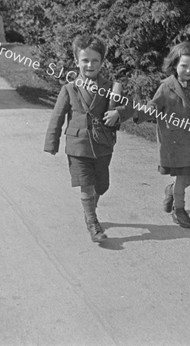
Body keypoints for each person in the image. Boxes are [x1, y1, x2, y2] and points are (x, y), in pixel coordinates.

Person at [44, 34, 130, 243]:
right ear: (76, 62)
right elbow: (57, 116)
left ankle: (90, 208)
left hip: (102, 145)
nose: (89, 65)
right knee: (86, 183)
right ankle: (92, 223)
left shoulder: (110, 87)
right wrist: (52, 142)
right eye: (85, 60)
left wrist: (119, 113)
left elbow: (128, 107)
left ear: (102, 62)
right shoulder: (69, 89)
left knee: (101, 185)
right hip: (78, 145)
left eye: (95, 60)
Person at [135, 41, 190, 229]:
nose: (189, 70)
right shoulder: (167, 87)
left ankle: (170, 191)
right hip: (176, 141)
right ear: (174, 65)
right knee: (182, 176)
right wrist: (138, 112)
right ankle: (179, 211)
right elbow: (154, 106)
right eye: (184, 65)